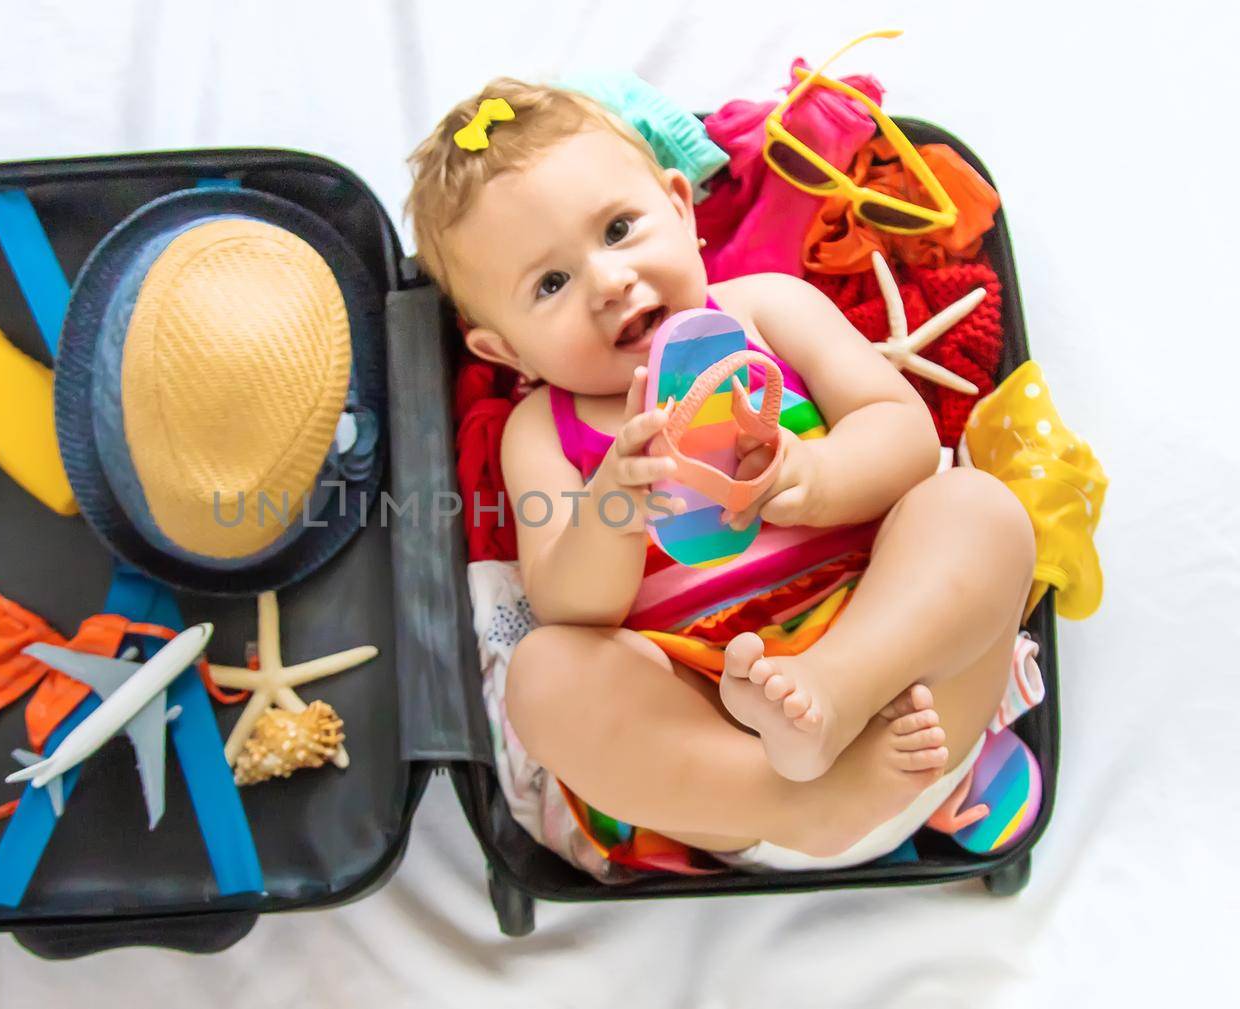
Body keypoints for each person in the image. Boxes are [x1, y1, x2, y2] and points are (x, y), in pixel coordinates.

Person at [405, 79, 1036, 870]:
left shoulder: (769, 309)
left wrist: (822, 472)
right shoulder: (542, 430)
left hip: (896, 691)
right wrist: (613, 509)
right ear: (505, 352)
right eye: (551, 285)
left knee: (975, 507)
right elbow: (570, 603)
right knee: (546, 673)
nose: (607, 282)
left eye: (618, 228)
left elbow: (904, 432)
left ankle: (832, 698)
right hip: (720, 747)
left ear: (680, 206)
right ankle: (801, 795)